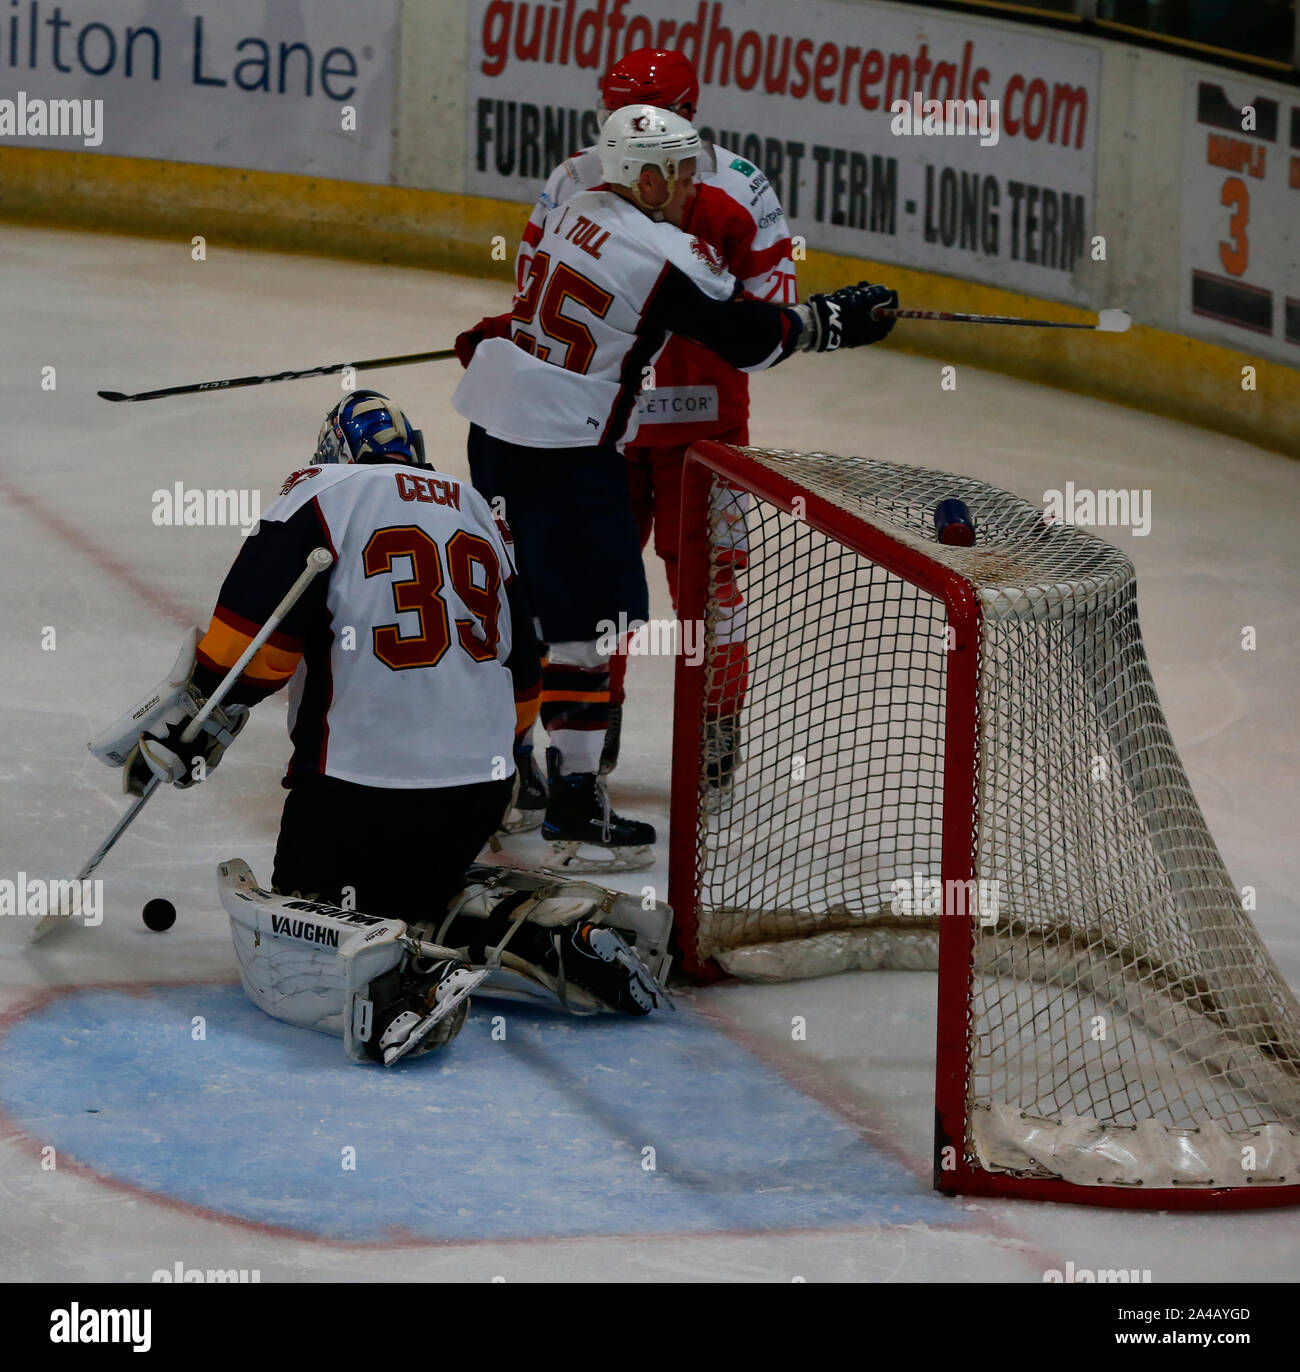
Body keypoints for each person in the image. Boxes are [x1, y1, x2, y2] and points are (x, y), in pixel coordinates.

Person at [89, 390, 665, 1065]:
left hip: (356, 791)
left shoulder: (315, 493)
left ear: (334, 448)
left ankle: (402, 983)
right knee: (410, 894)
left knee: (305, 917)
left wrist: (190, 730)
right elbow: (523, 675)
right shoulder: (478, 509)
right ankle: (552, 937)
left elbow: (251, 649)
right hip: (477, 793)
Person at [453, 103, 898, 871]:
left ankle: (503, 780)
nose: (695, 182)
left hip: (494, 427)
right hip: (564, 447)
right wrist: (832, 320)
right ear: (649, 176)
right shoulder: (663, 253)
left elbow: (549, 303)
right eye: (684, 169)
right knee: (589, 631)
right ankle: (573, 806)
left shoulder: (579, 206)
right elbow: (749, 342)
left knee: (523, 609)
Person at [461, 48, 797, 807]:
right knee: (584, 591)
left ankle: (715, 720)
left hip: (698, 431)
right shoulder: (576, 178)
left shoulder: (740, 191)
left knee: (709, 583)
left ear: (690, 113)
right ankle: (588, 731)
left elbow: (764, 323)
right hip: (596, 427)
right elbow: (535, 293)